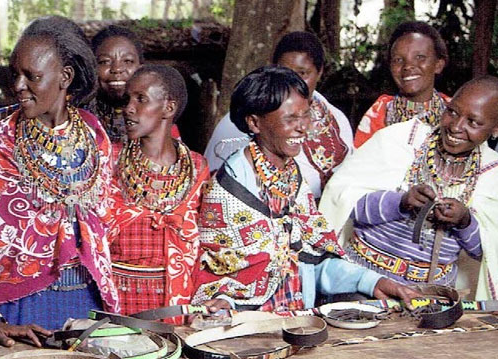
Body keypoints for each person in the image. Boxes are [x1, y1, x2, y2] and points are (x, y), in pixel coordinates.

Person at [193, 66, 417, 312]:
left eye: (306, 115)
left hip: (300, 322)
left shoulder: (291, 177)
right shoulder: (228, 191)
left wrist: (373, 281)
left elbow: (312, 261)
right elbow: (220, 284)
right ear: (255, 123)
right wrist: (226, 301)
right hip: (251, 332)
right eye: (290, 118)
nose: (303, 128)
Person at [0, 16, 119, 346]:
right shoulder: (2, 141)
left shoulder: (96, 137)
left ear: (65, 77)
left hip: (86, 304)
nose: (18, 85)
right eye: (15, 74)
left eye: (32, 76)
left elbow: (104, 226)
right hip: (18, 308)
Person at [320, 76, 498, 300]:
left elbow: (488, 254)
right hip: (365, 283)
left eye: (473, 122)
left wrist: (464, 222)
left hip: (432, 296)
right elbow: (346, 205)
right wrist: (400, 203)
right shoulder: (400, 141)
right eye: (452, 111)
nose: (456, 126)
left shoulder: (492, 174)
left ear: (495, 129)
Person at [107, 64, 209, 319]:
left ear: (169, 107)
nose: (129, 108)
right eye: (128, 99)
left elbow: (206, 240)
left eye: (141, 99)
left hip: (175, 303)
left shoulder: (196, 167)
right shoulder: (109, 159)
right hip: (117, 299)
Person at [204, 31, 353, 199]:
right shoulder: (237, 123)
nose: (291, 80)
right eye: (284, 71)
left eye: (302, 73)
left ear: (319, 73)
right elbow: (215, 182)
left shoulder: (336, 120)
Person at [87, 25, 180, 157]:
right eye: (105, 62)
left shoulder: (160, 124)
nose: (117, 69)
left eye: (128, 61)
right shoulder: (79, 123)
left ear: (141, 68)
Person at [354, 21, 449, 149]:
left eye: (420, 57)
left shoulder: (457, 111)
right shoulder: (379, 113)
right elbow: (359, 164)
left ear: (438, 65)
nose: (408, 66)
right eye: (398, 60)